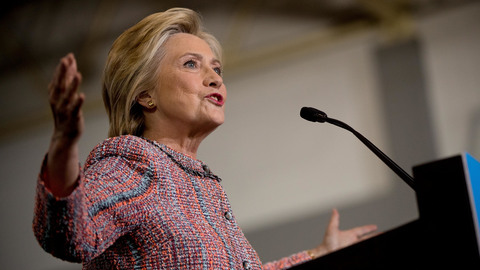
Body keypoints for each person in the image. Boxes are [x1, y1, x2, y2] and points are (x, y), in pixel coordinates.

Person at [33, 7, 377, 270]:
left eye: (217, 69)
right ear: (145, 95)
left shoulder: (203, 185)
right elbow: (68, 234)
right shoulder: (133, 162)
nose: (214, 78)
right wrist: (63, 146)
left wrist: (321, 253)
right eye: (190, 64)